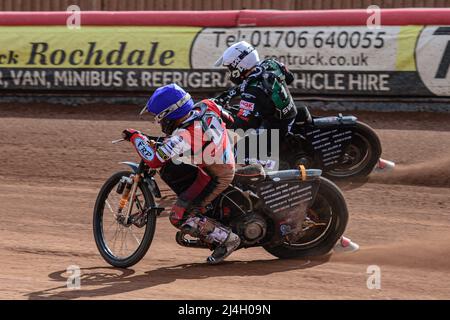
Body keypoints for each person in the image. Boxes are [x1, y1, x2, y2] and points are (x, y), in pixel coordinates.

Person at [215, 41, 359, 253]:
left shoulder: (252, 91)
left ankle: (263, 208)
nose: (230, 72)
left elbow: (243, 123)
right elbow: (288, 76)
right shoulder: (269, 65)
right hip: (287, 115)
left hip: (273, 129)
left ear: (239, 65)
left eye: (230, 67)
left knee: (242, 159)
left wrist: (222, 117)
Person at [122, 83, 240, 264]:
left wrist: (135, 138)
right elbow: (230, 119)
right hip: (226, 156)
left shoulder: (184, 135)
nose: (159, 122)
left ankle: (227, 239)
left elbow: (154, 160)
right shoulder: (206, 105)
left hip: (216, 175)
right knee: (173, 169)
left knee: (179, 216)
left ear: (169, 115)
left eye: (159, 118)